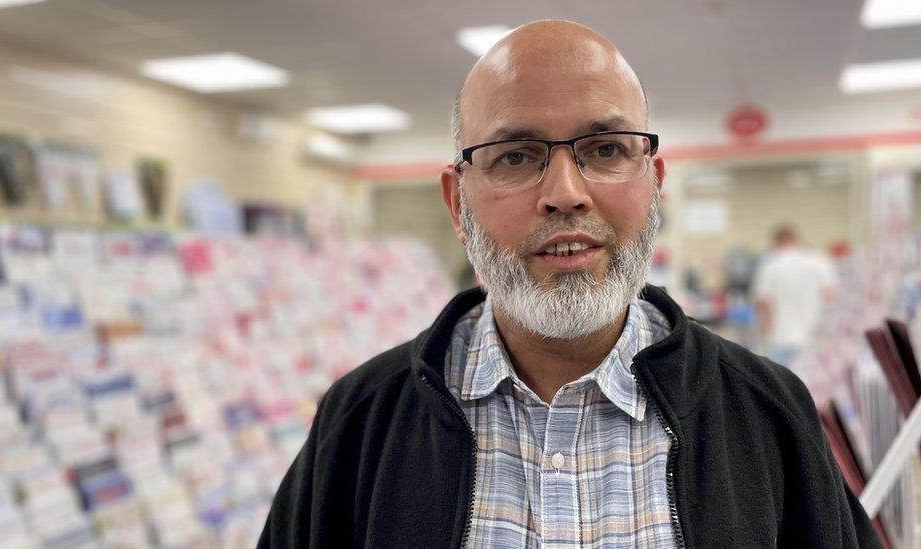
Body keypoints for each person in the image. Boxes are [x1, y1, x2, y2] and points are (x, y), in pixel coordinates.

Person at [260, 20, 879, 548]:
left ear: (654, 181)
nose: (565, 194)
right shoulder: (361, 421)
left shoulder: (767, 412)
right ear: (458, 204)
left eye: (606, 150)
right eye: (516, 157)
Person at [753, 224, 839, 367]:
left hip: (780, 339)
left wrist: (765, 334)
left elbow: (763, 303)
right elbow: (831, 296)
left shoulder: (770, 266)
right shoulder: (819, 262)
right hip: (813, 339)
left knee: (781, 385)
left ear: (775, 243)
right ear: (797, 240)